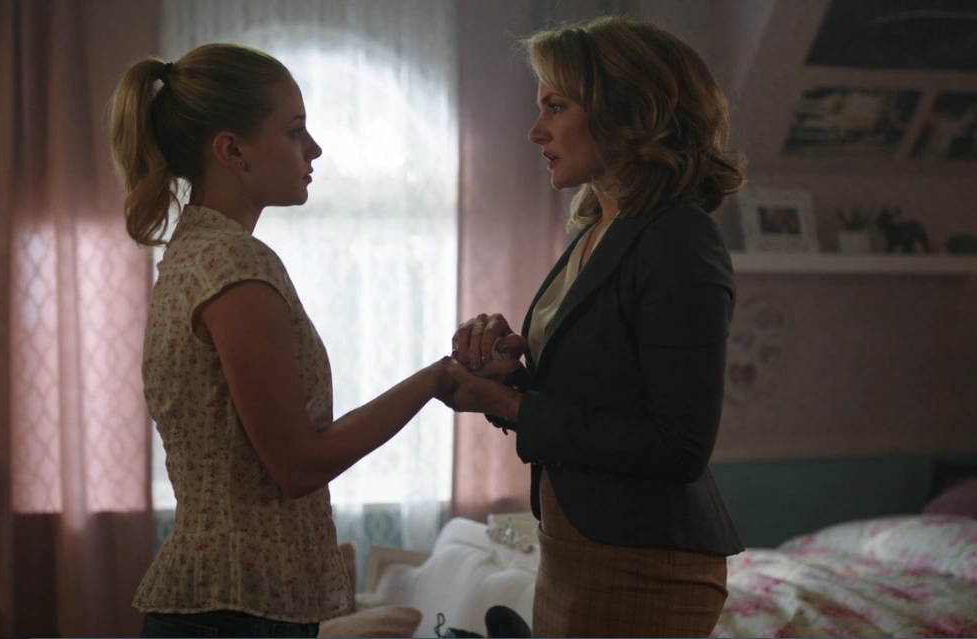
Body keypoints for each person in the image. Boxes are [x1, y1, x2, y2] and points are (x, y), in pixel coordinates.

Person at [108, 44, 468, 638]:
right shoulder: (233, 264)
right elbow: (299, 465)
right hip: (237, 614)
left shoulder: (194, 254)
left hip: (229, 606)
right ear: (233, 150)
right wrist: (435, 380)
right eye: (295, 130)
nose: (314, 148)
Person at [443, 16, 746, 638]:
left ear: (628, 109)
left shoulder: (679, 238)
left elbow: (679, 446)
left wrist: (510, 405)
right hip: (575, 545)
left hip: (645, 563)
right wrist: (512, 377)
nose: (536, 131)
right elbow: (598, 396)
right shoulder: (598, 231)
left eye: (556, 106)